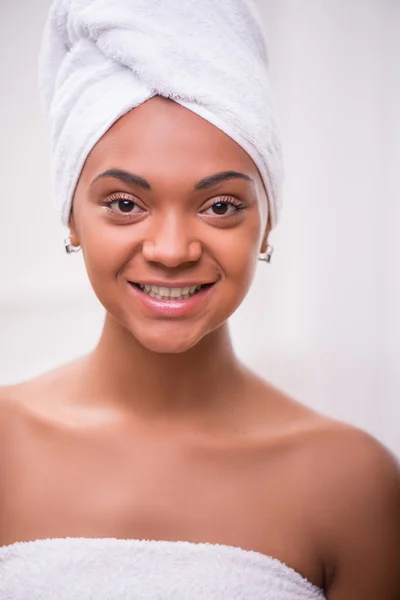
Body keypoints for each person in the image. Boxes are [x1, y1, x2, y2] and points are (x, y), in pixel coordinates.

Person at [0, 0, 399, 598]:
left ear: (265, 226)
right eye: (125, 203)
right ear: (72, 218)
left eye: (220, 206)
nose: (171, 249)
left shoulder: (352, 484)